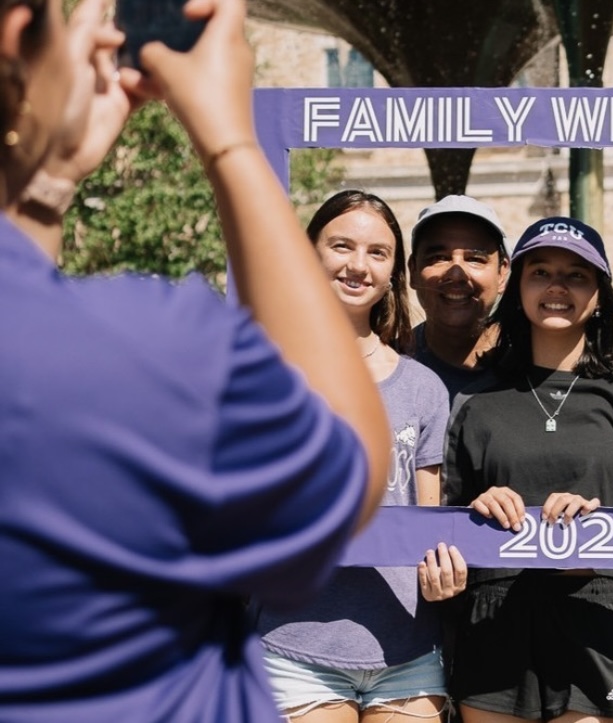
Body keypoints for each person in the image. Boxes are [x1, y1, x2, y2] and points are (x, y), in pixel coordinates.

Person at [0, 0, 391, 721]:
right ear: (17, 37)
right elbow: (348, 461)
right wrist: (230, 141)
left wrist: (40, 180)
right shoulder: (145, 352)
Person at [443, 216, 613, 723]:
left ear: (599, 294)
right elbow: (443, 522)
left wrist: (600, 538)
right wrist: (476, 513)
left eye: (576, 275)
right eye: (540, 272)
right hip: (494, 611)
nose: (557, 287)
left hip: (593, 608)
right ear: (517, 287)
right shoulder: (472, 400)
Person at [254, 190, 460, 723]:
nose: (358, 265)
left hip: (408, 651)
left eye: (377, 252)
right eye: (341, 246)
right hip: (296, 644)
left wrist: (444, 572)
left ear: (394, 272)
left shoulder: (424, 387)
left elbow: (429, 523)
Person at [408, 194, 509, 402]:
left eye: (475, 259)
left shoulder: (531, 367)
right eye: (439, 258)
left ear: (502, 273)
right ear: (413, 270)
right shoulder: (386, 370)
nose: (456, 274)